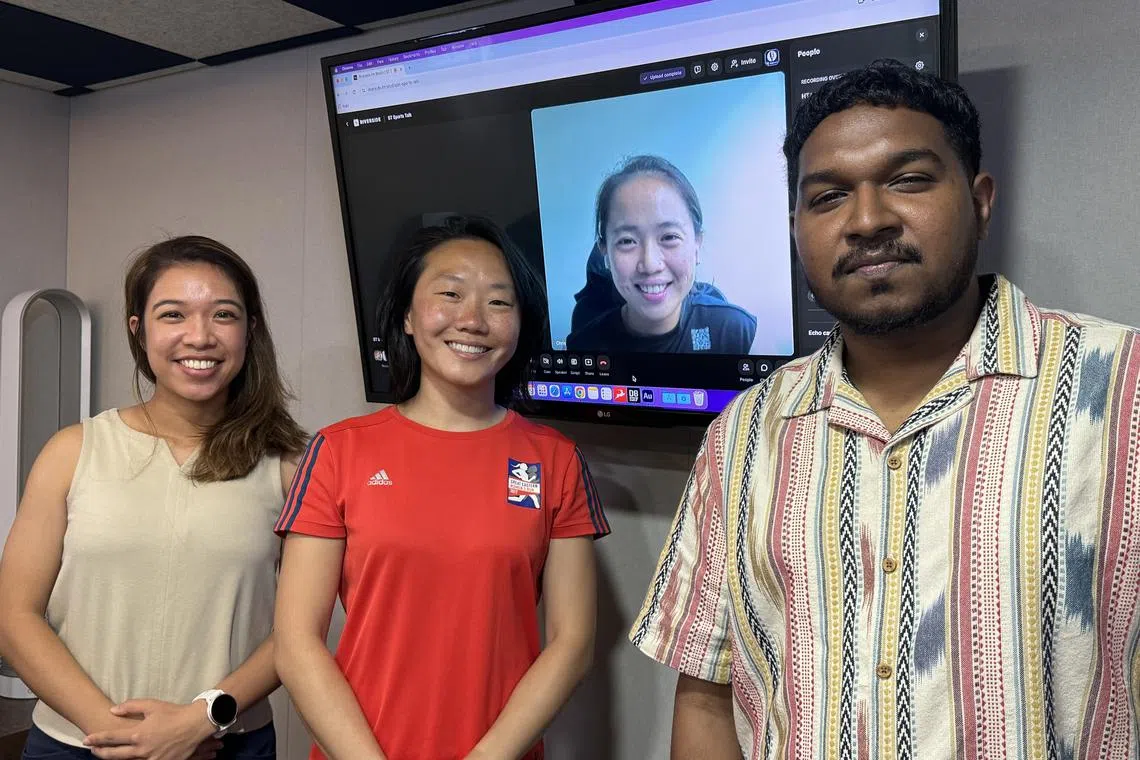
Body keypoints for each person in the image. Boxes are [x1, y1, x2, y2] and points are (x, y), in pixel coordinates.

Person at [630, 59, 1140, 759]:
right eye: (829, 196)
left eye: (909, 180)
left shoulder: (1123, 390)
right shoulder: (745, 434)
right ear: (796, 227)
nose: (867, 220)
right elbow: (708, 694)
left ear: (980, 200)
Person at [274, 215, 610, 760]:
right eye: (450, 294)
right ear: (408, 316)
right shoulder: (338, 451)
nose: (472, 320)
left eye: (498, 302)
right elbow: (296, 644)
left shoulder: (555, 460)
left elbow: (572, 645)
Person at [0, 236, 308, 759]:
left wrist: (199, 720)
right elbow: (15, 616)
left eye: (224, 315)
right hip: (78, 743)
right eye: (172, 314)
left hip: (226, 745)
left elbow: (298, 631)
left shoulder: (288, 466)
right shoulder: (71, 451)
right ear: (138, 331)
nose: (200, 336)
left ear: (250, 330)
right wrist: (125, 736)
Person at [566, 155, 756, 353]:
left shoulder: (737, 333)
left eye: (669, 237)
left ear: (697, 243)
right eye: (627, 241)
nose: (650, 264)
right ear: (604, 249)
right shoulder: (583, 347)